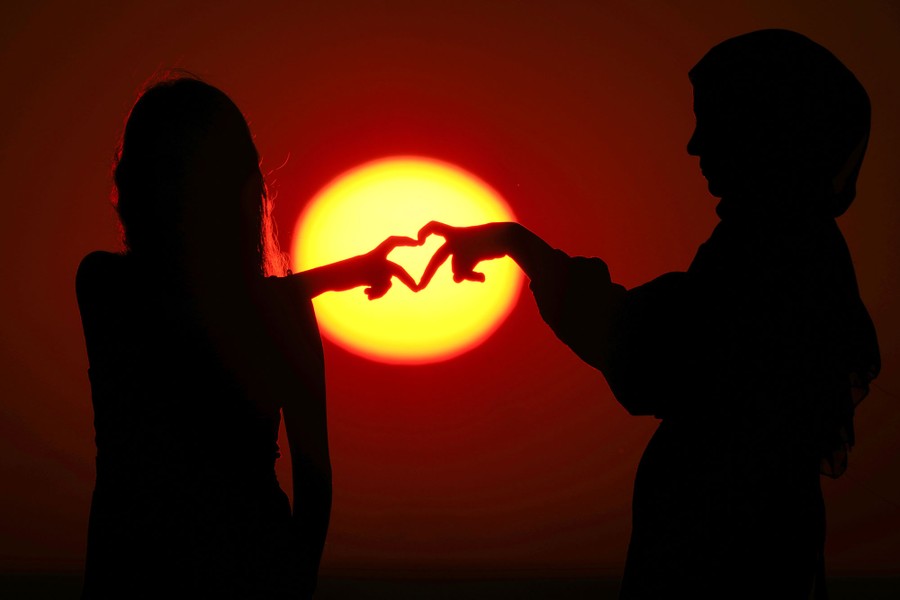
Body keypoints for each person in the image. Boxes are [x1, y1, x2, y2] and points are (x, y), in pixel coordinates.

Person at [416, 30, 880, 598]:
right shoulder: (790, 248)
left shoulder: (769, 253)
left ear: (764, 131)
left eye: (714, 121)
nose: (694, 145)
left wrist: (524, 249)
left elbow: (650, 352)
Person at [76, 76, 418, 599]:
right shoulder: (109, 285)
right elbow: (315, 477)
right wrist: (329, 278)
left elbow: (313, 474)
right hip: (232, 568)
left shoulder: (106, 287)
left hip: (156, 568)